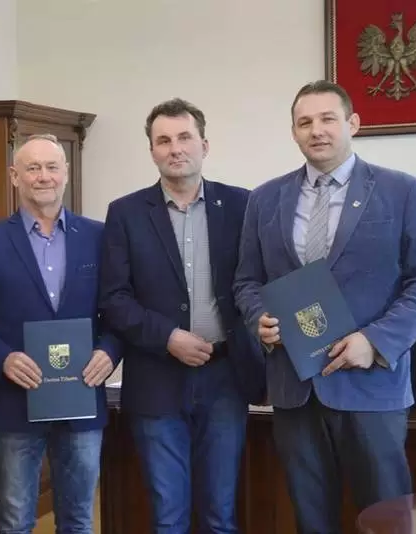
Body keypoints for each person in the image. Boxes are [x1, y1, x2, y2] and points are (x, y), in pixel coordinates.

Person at [233, 80, 416, 534]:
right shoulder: (264, 199)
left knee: (389, 519)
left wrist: (375, 341)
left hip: (371, 386)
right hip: (294, 388)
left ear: (353, 123)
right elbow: (247, 281)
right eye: (304, 122)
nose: (316, 130)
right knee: (311, 520)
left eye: (328, 119)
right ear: (294, 132)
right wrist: (258, 319)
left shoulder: (401, 190)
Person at [98, 98, 265, 534]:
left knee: (220, 514)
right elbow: (114, 298)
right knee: (168, 516)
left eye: (185, 137)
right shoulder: (125, 213)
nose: (175, 148)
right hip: (156, 378)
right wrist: (168, 336)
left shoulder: (243, 205)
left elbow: (259, 281)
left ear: (204, 145)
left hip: (226, 378)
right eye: (164, 140)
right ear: (152, 151)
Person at [0, 134, 121, 534]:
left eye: (51, 167)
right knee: (14, 521)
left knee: (79, 519)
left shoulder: (99, 237)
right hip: (16, 403)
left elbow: (118, 311)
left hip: (82, 397)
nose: (43, 176)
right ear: (15, 176)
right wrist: (3, 359)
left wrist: (109, 351)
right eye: (32, 168)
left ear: (66, 173)